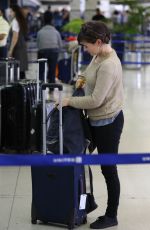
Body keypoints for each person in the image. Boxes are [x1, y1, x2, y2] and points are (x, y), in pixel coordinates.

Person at [59, 21, 124, 229]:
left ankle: (111, 216)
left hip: (108, 122)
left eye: (86, 46)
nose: (85, 50)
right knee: (80, 161)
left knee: (108, 169)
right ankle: (84, 205)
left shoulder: (109, 64)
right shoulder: (98, 55)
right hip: (94, 120)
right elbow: (87, 75)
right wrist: (80, 81)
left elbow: (96, 100)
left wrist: (70, 101)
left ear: (98, 42)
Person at [37, 11, 63, 83]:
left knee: (41, 70)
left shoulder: (40, 32)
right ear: (52, 20)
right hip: (54, 52)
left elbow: (38, 45)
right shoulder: (56, 32)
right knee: (52, 70)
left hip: (42, 52)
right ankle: (51, 87)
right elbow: (60, 45)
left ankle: (40, 87)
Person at [8, 5, 28, 79]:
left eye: (11, 11)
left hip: (17, 49)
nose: (10, 13)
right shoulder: (20, 20)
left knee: (17, 71)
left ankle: (20, 89)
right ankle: (24, 89)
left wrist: (11, 50)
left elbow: (15, 37)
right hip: (21, 47)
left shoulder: (15, 21)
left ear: (15, 12)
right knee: (21, 71)